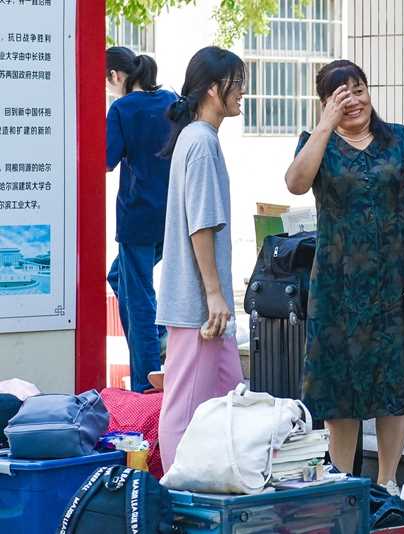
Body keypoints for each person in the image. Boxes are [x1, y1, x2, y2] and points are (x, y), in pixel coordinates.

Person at [285, 60, 404, 495]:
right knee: (339, 386)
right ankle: (343, 485)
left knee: (396, 379)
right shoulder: (316, 143)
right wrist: (324, 126)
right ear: (325, 103)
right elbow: (295, 184)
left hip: (396, 280)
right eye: (340, 95)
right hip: (337, 284)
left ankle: (388, 481)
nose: (353, 100)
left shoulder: (402, 140)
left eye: (358, 90)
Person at [156, 46, 246, 472]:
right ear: (213, 88)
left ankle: (218, 490)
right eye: (236, 82)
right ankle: (175, 494)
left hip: (205, 308)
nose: (243, 90)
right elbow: (202, 226)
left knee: (230, 403)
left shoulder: (196, 138)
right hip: (198, 308)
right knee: (184, 411)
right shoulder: (202, 142)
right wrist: (213, 294)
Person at [105, 47, 176, 393]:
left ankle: (145, 384)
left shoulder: (121, 109)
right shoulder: (171, 100)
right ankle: (159, 338)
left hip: (137, 218)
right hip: (171, 216)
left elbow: (106, 160)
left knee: (140, 299)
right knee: (119, 277)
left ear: (115, 76)